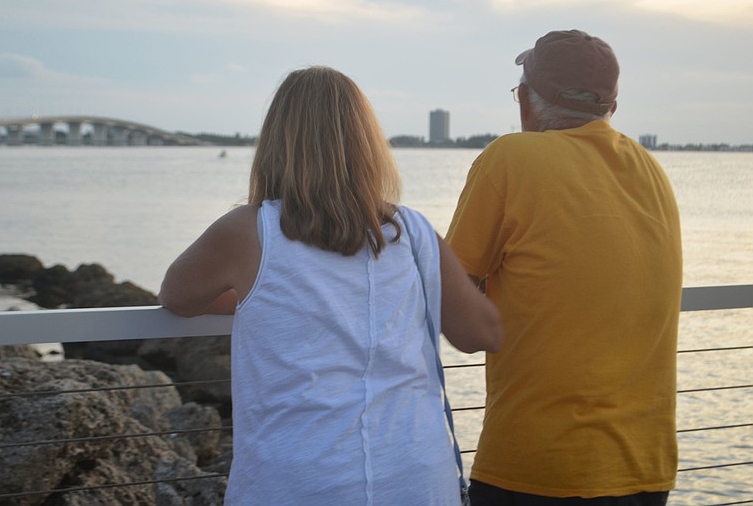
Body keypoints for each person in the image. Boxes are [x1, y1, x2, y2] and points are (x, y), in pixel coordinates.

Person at [159, 66, 502, 505]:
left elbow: (177, 297)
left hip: (299, 480)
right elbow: (479, 333)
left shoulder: (247, 232)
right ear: (366, 144)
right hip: (415, 475)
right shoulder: (412, 231)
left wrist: (257, 299)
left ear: (277, 143)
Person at [445, 30, 683, 505]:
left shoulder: (511, 158)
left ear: (527, 103)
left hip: (540, 469)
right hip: (646, 470)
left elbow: (451, 306)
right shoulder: (651, 170)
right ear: (609, 109)